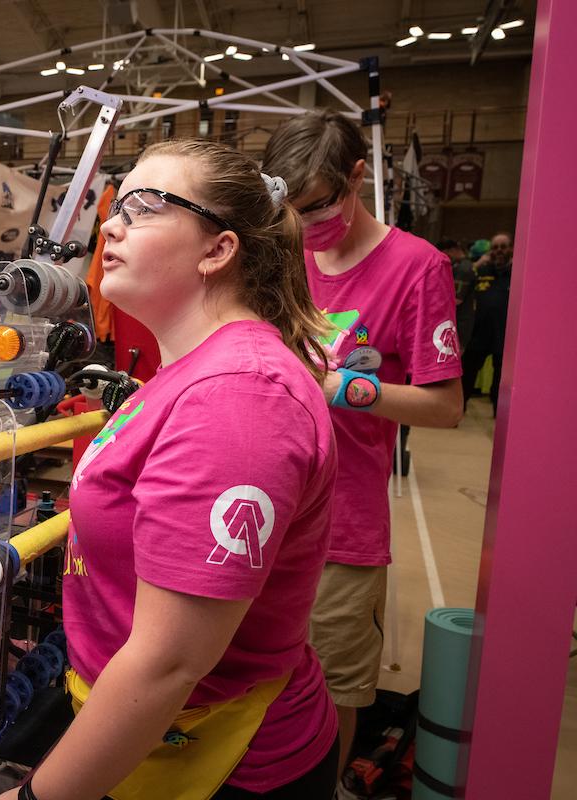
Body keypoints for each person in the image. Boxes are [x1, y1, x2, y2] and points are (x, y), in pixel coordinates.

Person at [0, 139, 340, 800]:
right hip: (151, 742)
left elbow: (169, 662)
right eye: (116, 205)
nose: (110, 224)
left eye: (146, 206)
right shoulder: (191, 371)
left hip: (220, 765)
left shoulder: (238, 397)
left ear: (219, 249)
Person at [262, 110, 463, 777]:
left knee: (333, 686)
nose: (308, 227)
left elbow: (446, 406)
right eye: (292, 211)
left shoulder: (417, 268)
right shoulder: (284, 252)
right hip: (259, 510)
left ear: (358, 177)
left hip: (341, 526)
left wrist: (342, 388)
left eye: (320, 207)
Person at [461, 232, 513, 415]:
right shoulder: (481, 270)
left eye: (503, 247)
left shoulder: (516, 271)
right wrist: (478, 264)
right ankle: (458, 411)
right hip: (479, 332)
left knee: (501, 379)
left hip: (504, 334)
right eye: (495, 247)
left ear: (511, 249)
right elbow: (462, 281)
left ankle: (500, 415)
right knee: (467, 374)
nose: (499, 251)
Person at [438, 238, 476, 353]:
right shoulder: (461, 265)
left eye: (444, 253)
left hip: (459, 324)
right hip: (459, 322)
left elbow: (456, 299)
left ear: (453, 250)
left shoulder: (463, 269)